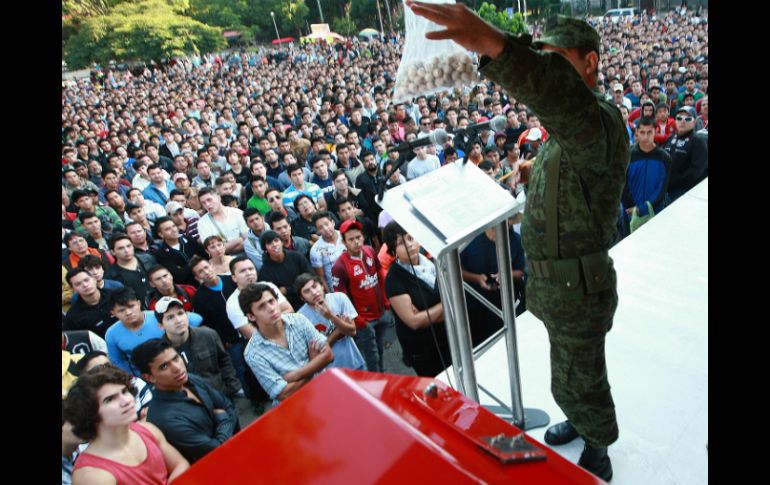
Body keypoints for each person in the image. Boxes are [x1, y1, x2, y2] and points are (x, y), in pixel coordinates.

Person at [406, 4, 628, 479]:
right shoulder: (570, 131)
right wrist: (537, 171)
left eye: (558, 59)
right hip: (556, 286)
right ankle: (580, 418)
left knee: (583, 374)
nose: (549, 68)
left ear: (589, 63)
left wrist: (497, 45)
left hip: (578, 287)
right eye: (542, 57)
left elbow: (560, 97)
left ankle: (599, 445)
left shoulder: (596, 119)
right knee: (568, 371)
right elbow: (573, 177)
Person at [63, 366, 189, 484]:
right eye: (110, 399)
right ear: (90, 412)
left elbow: (180, 465)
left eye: (124, 391)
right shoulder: (90, 474)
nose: (126, 401)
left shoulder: (147, 430)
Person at [132, 339, 240, 463]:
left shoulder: (190, 379)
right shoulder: (164, 419)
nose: (177, 368)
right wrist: (223, 419)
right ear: (149, 377)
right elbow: (215, 451)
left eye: (176, 358)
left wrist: (224, 423)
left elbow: (229, 406)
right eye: (164, 366)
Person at [239, 283, 334, 405]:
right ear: (251, 316)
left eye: (271, 301)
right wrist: (314, 364)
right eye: (262, 306)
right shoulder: (252, 353)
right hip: (295, 407)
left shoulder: (299, 320)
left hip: (323, 389)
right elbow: (284, 394)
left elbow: (328, 354)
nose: (271, 308)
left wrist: (295, 375)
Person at [382, 223, 451, 377]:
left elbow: (423, 317)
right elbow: (414, 322)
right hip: (423, 352)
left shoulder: (433, 263)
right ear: (393, 251)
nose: (409, 245)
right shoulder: (394, 280)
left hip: (448, 339)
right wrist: (447, 304)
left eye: (410, 238)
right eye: (400, 243)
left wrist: (427, 314)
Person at [331, 219, 391, 373]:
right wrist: (357, 319)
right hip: (364, 320)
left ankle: (382, 374)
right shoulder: (340, 266)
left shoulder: (370, 251)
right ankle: (376, 382)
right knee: (371, 355)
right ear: (344, 242)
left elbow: (379, 274)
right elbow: (341, 297)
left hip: (381, 312)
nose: (356, 242)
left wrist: (386, 300)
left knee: (379, 349)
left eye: (358, 237)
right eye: (351, 239)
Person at [155, 296, 242, 399]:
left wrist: (232, 388)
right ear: (160, 325)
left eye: (180, 313)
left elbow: (224, 360)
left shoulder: (208, 334)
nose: (178, 320)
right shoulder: (161, 353)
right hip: (193, 408)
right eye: (170, 317)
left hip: (222, 397)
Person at [294, 273, 365, 371]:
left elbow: (352, 332)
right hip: (330, 372)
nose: (314, 292)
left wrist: (331, 317)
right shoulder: (300, 318)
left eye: (314, 286)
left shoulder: (339, 298)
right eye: (307, 291)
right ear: (302, 298)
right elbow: (316, 354)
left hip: (354, 362)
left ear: (322, 286)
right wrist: (340, 326)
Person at [622, 117, 672, 223]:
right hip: (630, 211)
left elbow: (661, 189)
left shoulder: (664, 157)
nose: (646, 136)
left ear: (656, 131)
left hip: (655, 210)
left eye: (649, 132)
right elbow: (623, 184)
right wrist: (633, 207)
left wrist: (643, 208)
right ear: (636, 132)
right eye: (642, 132)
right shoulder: (628, 155)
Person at [258, 230, 315, 310]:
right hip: (291, 307)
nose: (274, 245)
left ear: (281, 242)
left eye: (276, 241)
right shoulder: (264, 272)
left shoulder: (296, 256)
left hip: (310, 296)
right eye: (269, 243)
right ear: (265, 248)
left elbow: (311, 276)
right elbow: (274, 296)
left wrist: (288, 290)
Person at [662, 105, 708, 202]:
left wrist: (674, 181)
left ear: (694, 121)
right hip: (664, 190)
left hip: (684, 193)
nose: (682, 121)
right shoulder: (671, 138)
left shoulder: (698, 141)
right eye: (679, 118)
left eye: (687, 118)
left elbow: (696, 171)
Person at [309, 210, 347, 292]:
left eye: (327, 224)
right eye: (320, 227)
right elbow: (321, 278)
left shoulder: (346, 236)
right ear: (318, 231)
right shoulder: (315, 250)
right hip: (337, 289)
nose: (325, 229)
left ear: (333, 223)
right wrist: (330, 296)